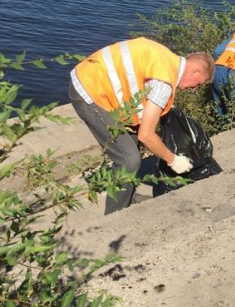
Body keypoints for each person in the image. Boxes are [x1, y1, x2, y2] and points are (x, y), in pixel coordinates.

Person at [68, 37, 214, 215]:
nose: (193, 89)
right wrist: (173, 160)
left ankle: (127, 196)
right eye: (197, 85)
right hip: (89, 91)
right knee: (129, 159)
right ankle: (115, 215)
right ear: (195, 71)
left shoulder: (167, 59)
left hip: (94, 77)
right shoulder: (163, 82)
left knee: (132, 140)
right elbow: (147, 135)